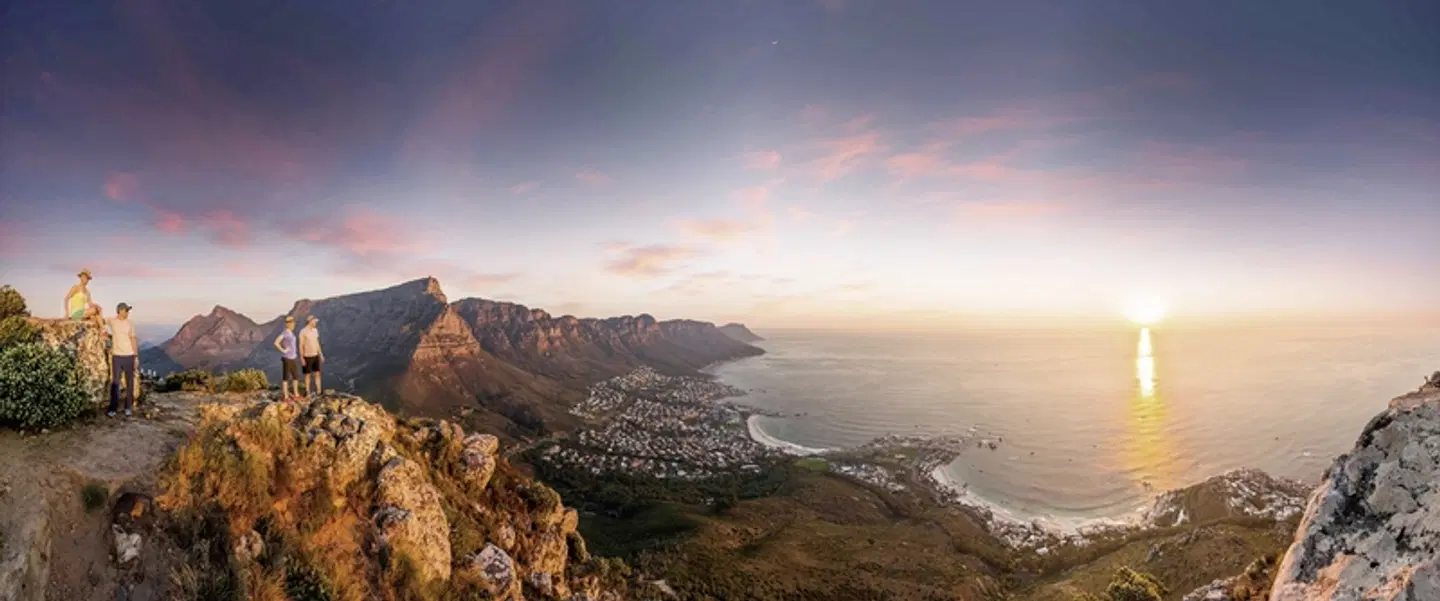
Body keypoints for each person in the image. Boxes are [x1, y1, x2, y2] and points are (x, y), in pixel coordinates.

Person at [107, 302, 140, 418]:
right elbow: (99, 319)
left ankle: (128, 408)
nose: (127, 312)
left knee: (129, 383)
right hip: (117, 356)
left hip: (129, 355)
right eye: (126, 310)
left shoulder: (130, 323)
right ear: (120, 311)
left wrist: (135, 356)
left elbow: (133, 338)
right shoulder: (112, 321)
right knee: (115, 383)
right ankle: (113, 408)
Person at [273, 316, 300, 402]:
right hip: (287, 358)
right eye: (291, 323)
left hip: (292, 358)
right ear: (288, 324)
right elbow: (276, 342)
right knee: (286, 377)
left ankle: (296, 395)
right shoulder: (285, 332)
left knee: (295, 376)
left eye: (293, 323)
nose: (293, 325)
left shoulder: (291, 333)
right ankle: (286, 397)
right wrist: (283, 350)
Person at [299, 315, 324, 398]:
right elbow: (301, 345)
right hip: (307, 356)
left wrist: (321, 354)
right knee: (307, 375)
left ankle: (319, 391)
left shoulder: (315, 331)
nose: (315, 323)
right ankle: (307, 391)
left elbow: (317, 343)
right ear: (310, 321)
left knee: (317, 373)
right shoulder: (303, 332)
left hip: (315, 355)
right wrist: (302, 357)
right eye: (314, 321)